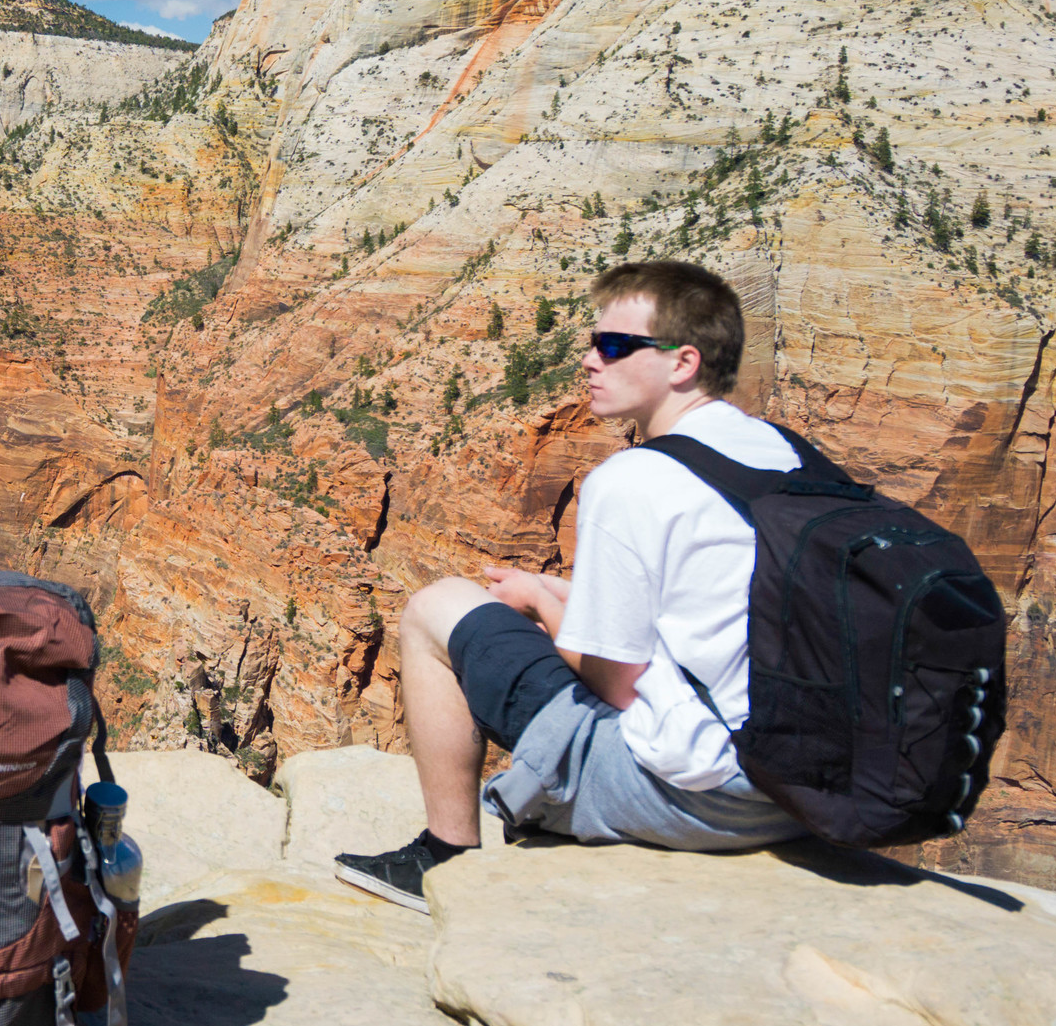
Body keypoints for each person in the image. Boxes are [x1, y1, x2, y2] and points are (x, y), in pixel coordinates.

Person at [334, 260, 807, 915]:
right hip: (801, 788)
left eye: (613, 346)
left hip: (704, 794)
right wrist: (554, 594)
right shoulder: (784, 452)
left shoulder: (635, 478)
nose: (588, 360)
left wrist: (542, 611)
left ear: (683, 362)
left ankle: (443, 859)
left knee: (434, 609)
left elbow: (616, 684)